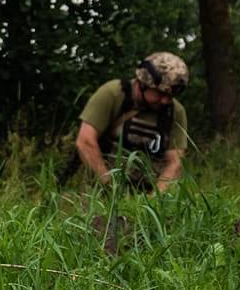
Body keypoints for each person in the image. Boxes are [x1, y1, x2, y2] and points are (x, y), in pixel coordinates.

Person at [73, 52, 190, 193]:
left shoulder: (175, 112)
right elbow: (85, 141)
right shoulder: (113, 94)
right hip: (102, 190)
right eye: (160, 94)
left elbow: (175, 162)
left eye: (171, 96)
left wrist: (155, 199)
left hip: (149, 193)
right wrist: (111, 189)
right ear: (144, 84)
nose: (165, 101)